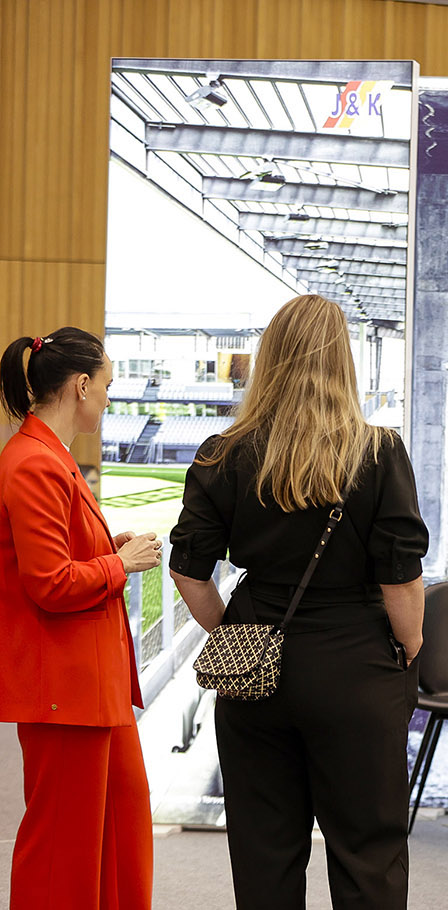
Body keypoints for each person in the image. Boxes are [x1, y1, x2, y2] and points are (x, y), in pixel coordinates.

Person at [169, 295, 429, 910]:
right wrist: (410, 645)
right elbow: (400, 576)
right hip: (357, 664)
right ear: (343, 362)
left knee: (264, 853)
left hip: (254, 666)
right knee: (368, 855)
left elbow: (188, 569)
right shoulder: (379, 451)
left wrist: (233, 632)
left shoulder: (221, 453)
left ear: (270, 359)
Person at [0, 327, 162, 908]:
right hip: (65, 689)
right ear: (82, 385)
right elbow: (49, 583)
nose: (110, 399)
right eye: (109, 386)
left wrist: (107, 551)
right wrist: (120, 564)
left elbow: (62, 558)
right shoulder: (33, 462)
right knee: (63, 850)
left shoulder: (49, 455)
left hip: (91, 687)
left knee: (118, 833)